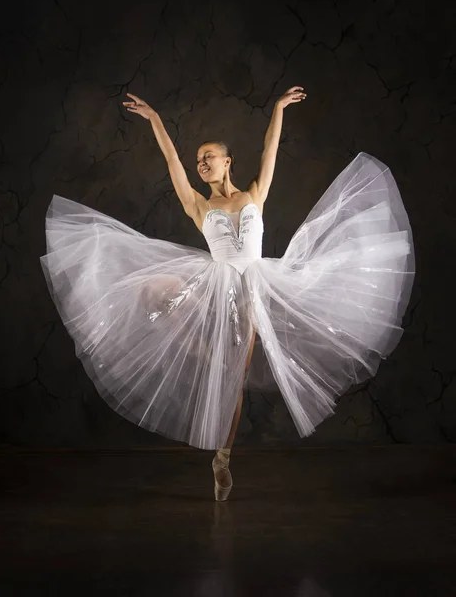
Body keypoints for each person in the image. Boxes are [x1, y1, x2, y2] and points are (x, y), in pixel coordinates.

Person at [40, 86, 414, 502]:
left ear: (227, 161)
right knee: (155, 291)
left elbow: (271, 148)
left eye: (208, 157)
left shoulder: (255, 193)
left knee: (234, 380)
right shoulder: (198, 205)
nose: (201, 164)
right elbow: (170, 161)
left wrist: (277, 109)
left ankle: (222, 455)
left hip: (255, 287)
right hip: (215, 288)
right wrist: (155, 120)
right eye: (198, 160)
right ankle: (208, 378)